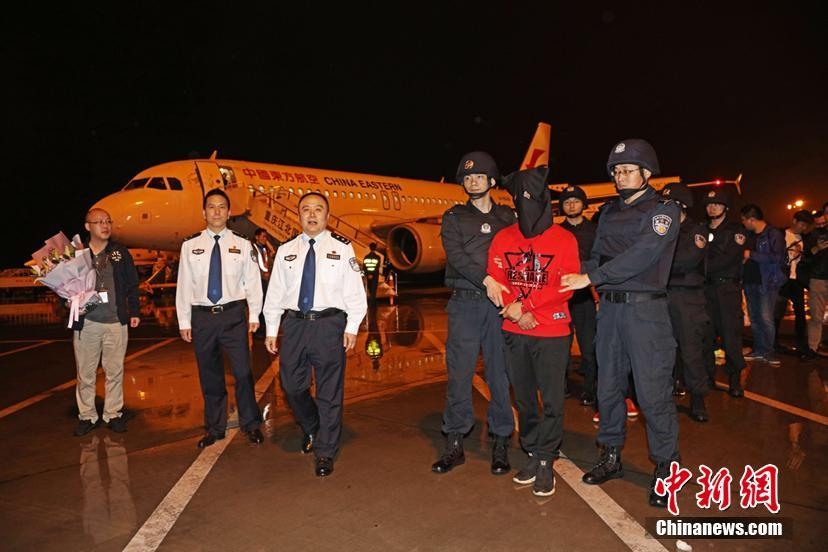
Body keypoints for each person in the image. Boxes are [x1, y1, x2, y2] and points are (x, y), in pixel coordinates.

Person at [560, 139, 680, 508]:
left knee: (652, 394)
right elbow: (596, 257)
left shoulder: (664, 211)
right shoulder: (609, 213)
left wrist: (591, 277)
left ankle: (667, 468)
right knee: (608, 387)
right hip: (610, 312)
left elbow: (643, 254)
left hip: (645, 314)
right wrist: (564, 273)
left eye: (627, 170)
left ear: (647, 173)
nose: (620, 176)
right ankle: (610, 455)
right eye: (616, 171)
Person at [487, 166, 579, 497]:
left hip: (551, 330)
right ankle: (531, 449)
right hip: (515, 329)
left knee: (552, 400)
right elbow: (496, 278)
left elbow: (566, 285)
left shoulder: (565, 239)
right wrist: (515, 309)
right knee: (525, 399)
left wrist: (525, 307)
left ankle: (545, 459)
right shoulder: (503, 238)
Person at [263, 192, 367, 477]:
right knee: (291, 385)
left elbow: (355, 293)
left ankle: (325, 451)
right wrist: (271, 328)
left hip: (328, 326)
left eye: (318, 209)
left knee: (329, 392)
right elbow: (275, 293)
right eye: (306, 209)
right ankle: (312, 427)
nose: (312, 214)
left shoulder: (342, 248)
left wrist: (351, 327)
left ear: (327, 216)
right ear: (298, 215)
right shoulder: (286, 250)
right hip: (295, 325)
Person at [432, 151, 516, 476]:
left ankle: (500, 440)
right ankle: (455, 441)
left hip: (499, 305)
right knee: (459, 373)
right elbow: (456, 255)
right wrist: (486, 279)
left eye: (479, 176)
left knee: (499, 374)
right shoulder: (453, 217)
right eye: (468, 177)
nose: (473, 181)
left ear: (492, 181)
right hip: (465, 304)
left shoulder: (508, 217)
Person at [175, 189, 264, 449]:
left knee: (243, 372)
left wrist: (254, 313)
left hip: (233, 316)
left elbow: (252, 281)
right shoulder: (190, 246)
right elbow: (184, 285)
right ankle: (215, 428)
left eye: (222, 206)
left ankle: (251, 424)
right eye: (211, 207)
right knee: (210, 375)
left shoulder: (242, 244)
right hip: (203, 318)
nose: (216, 211)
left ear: (229, 212)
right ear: (204, 212)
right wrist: (184, 321)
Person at [71, 208, 141, 436]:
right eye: (99, 221)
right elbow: (66, 286)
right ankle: (87, 416)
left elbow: (132, 283)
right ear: (87, 226)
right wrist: (69, 303)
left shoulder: (120, 252)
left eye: (108, 221)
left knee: (115, 371)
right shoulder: (77, 254)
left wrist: (134, 311)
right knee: (85, 374)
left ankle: (113, 414)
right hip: (87, 323)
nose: (105, 225)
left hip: (115, 322)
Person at [661, 183, 711, 422]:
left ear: (681, 205)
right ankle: (666, 391)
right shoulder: (660, 229)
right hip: (662, 295)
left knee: (691, 350)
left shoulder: (696, 230)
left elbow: (688, 260)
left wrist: (658, 260)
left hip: (687, 297)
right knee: (663, 349)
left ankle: (698, 397)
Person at [702, 189, 748, 397]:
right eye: (709, 204)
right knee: (706, 336)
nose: (712, 208)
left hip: (727, 289)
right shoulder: (701, 229)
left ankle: (734, 380)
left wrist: (699, 267)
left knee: (731, 336)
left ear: (726, 208)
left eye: (717, 204)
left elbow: (728, 259)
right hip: (706, 289)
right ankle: (708, 376)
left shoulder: (735, 230)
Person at [558, 185, 598, 407]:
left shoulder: (594, 231)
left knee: (588, 346)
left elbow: (600, 260)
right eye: (567, 202)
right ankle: (561, 386)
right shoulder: (555, 232)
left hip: (584, 297)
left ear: (584, 204)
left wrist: (581, 271)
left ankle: (590, 388)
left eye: (575, 201)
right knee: (561, 346)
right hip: (561, 297)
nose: (571, 205)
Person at [739, 204, 787, 366]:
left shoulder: (773, 234)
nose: (743, 223)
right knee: (754, 318)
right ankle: (759, 350)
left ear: (752, 219)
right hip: (750, 281)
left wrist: (751, 254)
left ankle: (769, 352)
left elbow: (778, 257)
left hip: (767, 282)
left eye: (744, 220)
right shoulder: (748, 234)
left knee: (766, 318)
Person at [773, 210, 813, 356]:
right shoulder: (780, 234)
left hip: (797, 280)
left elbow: (807, 259)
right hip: (782, 279)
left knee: (800, 314)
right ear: (794, 220)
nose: (803, 228)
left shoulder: (805, 239)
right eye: (802, 224)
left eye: (806, 226)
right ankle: (774, 343)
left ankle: (802, 345)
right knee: (777, 313)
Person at [803, 215, 828, 359]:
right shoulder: (813, 235)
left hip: (818, 277)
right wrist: (817, 248)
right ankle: (812, 349)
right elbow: (805, 256)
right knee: (816, 317)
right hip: (818, 278)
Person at [252, 228, 276, 337]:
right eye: (263, 236)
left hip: (266, 282)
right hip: (257, 281)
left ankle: (263, 329)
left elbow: (270, 264)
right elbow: (253, 265)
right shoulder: (252, 249)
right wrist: (263, 274)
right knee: (258, 306)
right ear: (257, 237)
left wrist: (271, 250)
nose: (265, 239)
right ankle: (257, 330)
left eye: (266, 237)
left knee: (265, 305)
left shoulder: (264, 250)